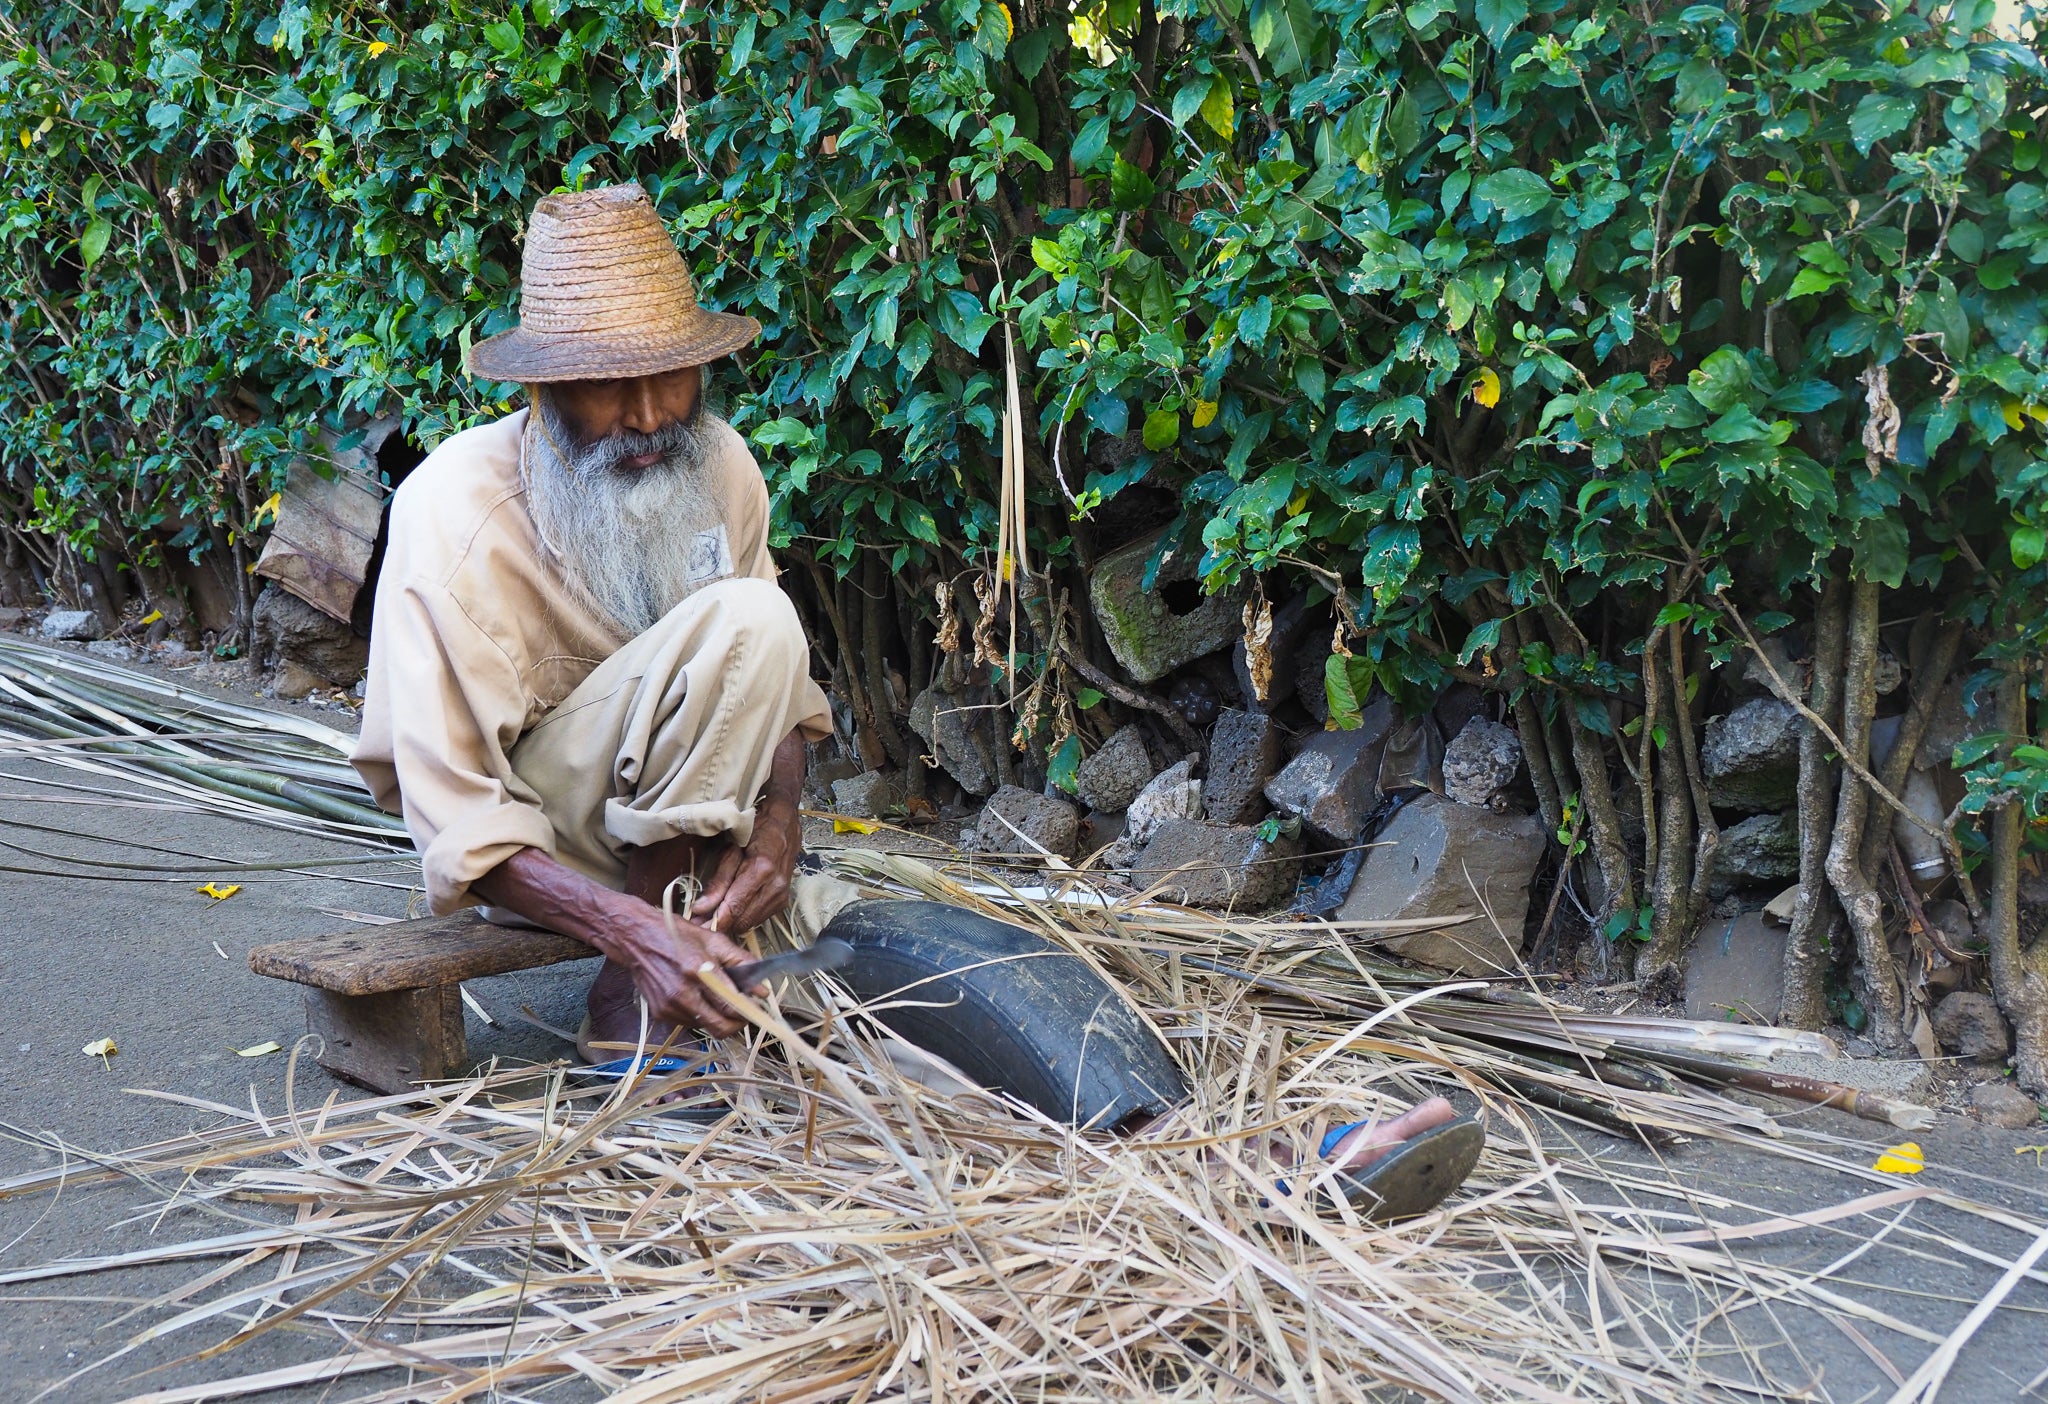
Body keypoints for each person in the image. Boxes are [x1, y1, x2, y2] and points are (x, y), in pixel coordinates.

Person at [353, 182, 1480, 1215]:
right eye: (607, 387)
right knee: (753, 627)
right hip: (549, 847)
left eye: (671, 375)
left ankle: (1246, 1166)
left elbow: (776, 696)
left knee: (923, 957)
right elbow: (455, 818)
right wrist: (628, 933)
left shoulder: (717, 466)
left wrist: (784, 822)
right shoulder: (450, 514)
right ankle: (632, 1005)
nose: (649, 416)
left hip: (688, 842)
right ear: (546, 388)